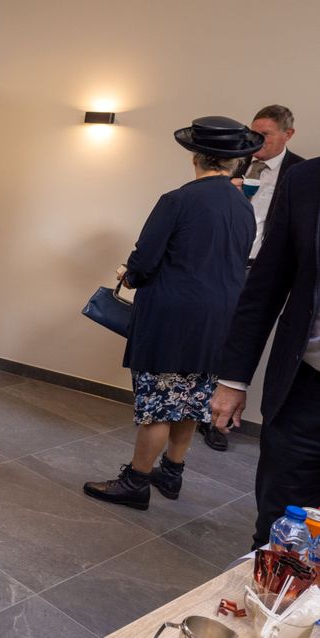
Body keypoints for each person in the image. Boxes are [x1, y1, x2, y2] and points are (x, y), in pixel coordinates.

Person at [83, 116, 263, 511]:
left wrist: (127, 274)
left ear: (195, 156)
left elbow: (144, 261)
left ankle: (136, 482)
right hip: (219, 322)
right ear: (234, 161)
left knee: (158, 405)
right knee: (192, 400)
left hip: (173, 320)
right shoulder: (242, 207)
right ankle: (172, 471)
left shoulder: (178, 200)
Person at [212, 156, 320, 548]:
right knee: (278, 532)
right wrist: (232, 379)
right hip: (304, 394)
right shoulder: (307, 179)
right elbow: (266, 286)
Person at [199, 105, 305, 452]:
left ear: (287, 135)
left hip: (263, 271)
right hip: (224, 263)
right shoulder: (236, 161)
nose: (255, 140)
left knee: (238, 339)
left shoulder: (300, 174)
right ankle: (197, 409)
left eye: (265, 135)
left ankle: (218, 418)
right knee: (210, 336)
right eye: (252, 132)